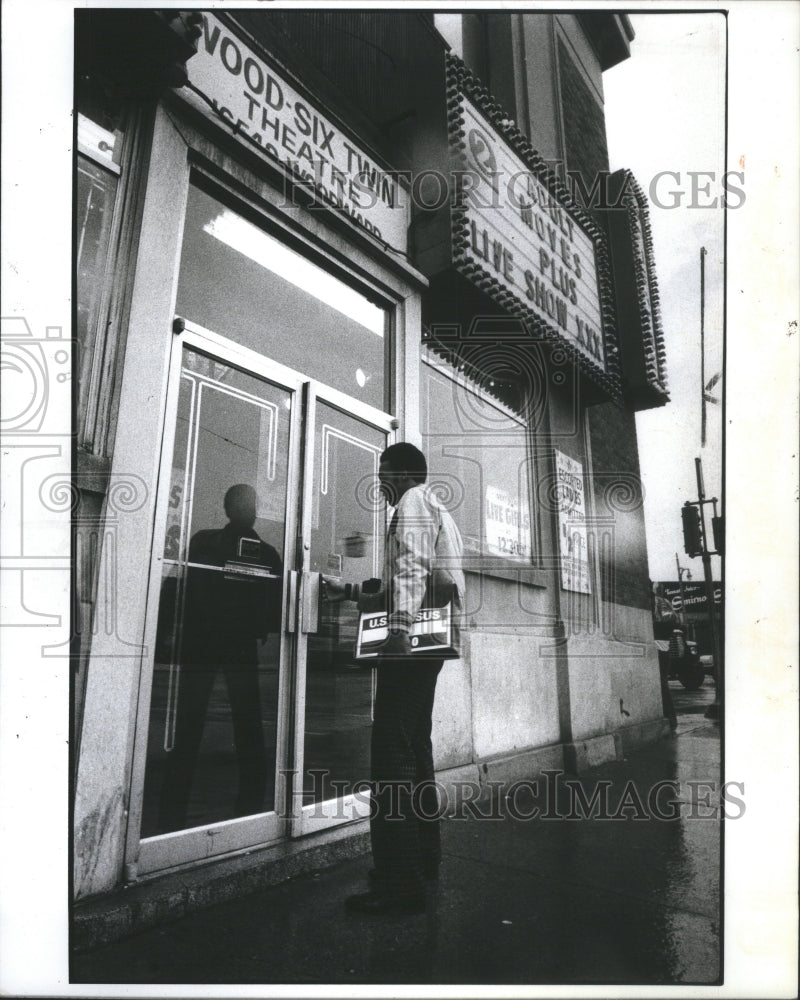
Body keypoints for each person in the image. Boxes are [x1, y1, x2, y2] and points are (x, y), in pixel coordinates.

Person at [324, 443, 464, 914]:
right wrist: (346, 591)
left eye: (384, 473)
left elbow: (409, 567)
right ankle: (425, 859)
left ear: (402, 473)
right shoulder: (435, 507)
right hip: (430, 648)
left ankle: (399, 884)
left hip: (411, 648)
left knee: (391, 757)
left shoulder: (413, 501)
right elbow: (404, 579)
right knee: (413, 748)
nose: (380, 483)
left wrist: (400, 630)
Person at [157, 484, 282, 831]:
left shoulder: (203, 542)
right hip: (234, 645)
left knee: (192, 723)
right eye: (248, 504)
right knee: (246, 724)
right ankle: (251, 809)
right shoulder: (266, 554)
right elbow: (274, 610)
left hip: (203, 643)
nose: (250, 510)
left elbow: (176, 586)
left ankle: (173, 810)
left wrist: (171, 629)